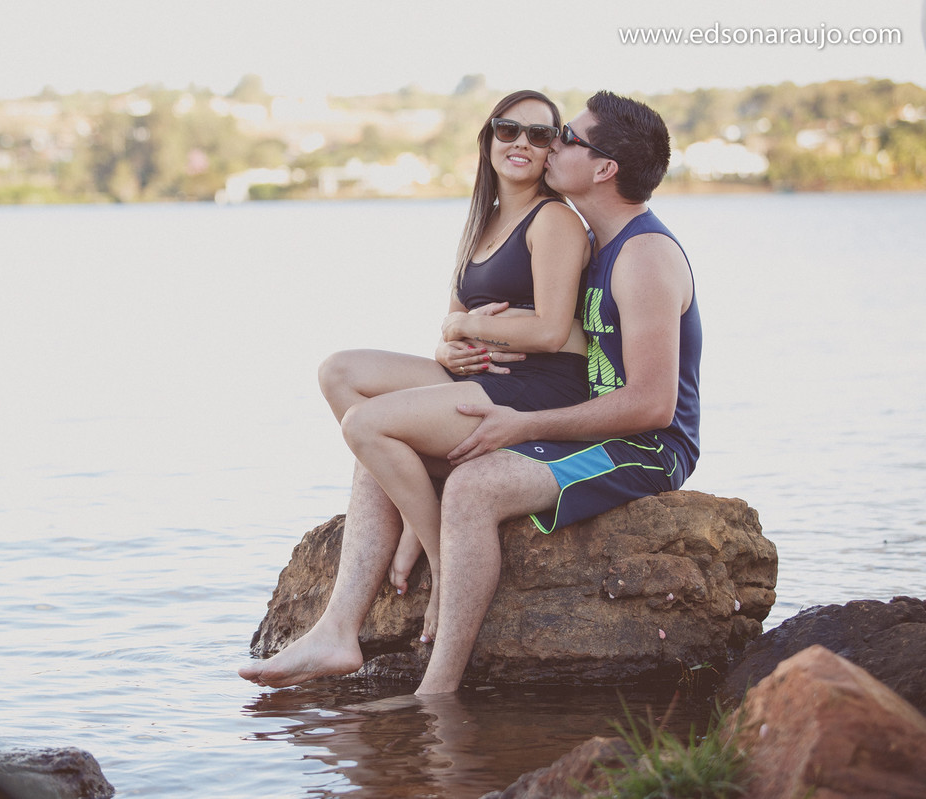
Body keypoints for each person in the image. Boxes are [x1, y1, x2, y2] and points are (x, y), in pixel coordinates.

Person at [239, 91, 701, 697]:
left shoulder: (644, 256)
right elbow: (559, 334)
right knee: (379, 448)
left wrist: (522, 423)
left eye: (564, 137)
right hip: (585, 424)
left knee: (470, 486)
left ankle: (436, 694)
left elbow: (652, 407)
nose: (549, 146)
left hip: (645, 448)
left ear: (604, 168)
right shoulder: (600, 243)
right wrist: (455, 344)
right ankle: (337, 632)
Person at [317, 90, 591, 642]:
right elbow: (452, 322)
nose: (521, 142)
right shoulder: (483, 221)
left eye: (539, 135)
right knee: (339, 372)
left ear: (550, 152)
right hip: (477, 375)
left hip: (536, 385)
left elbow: (549, 330)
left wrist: (467, 328)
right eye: (508, 129)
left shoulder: (554, 220)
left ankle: (441, 559)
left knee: (365, 425)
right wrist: (447, 346)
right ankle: (419, 505)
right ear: (489, 139)